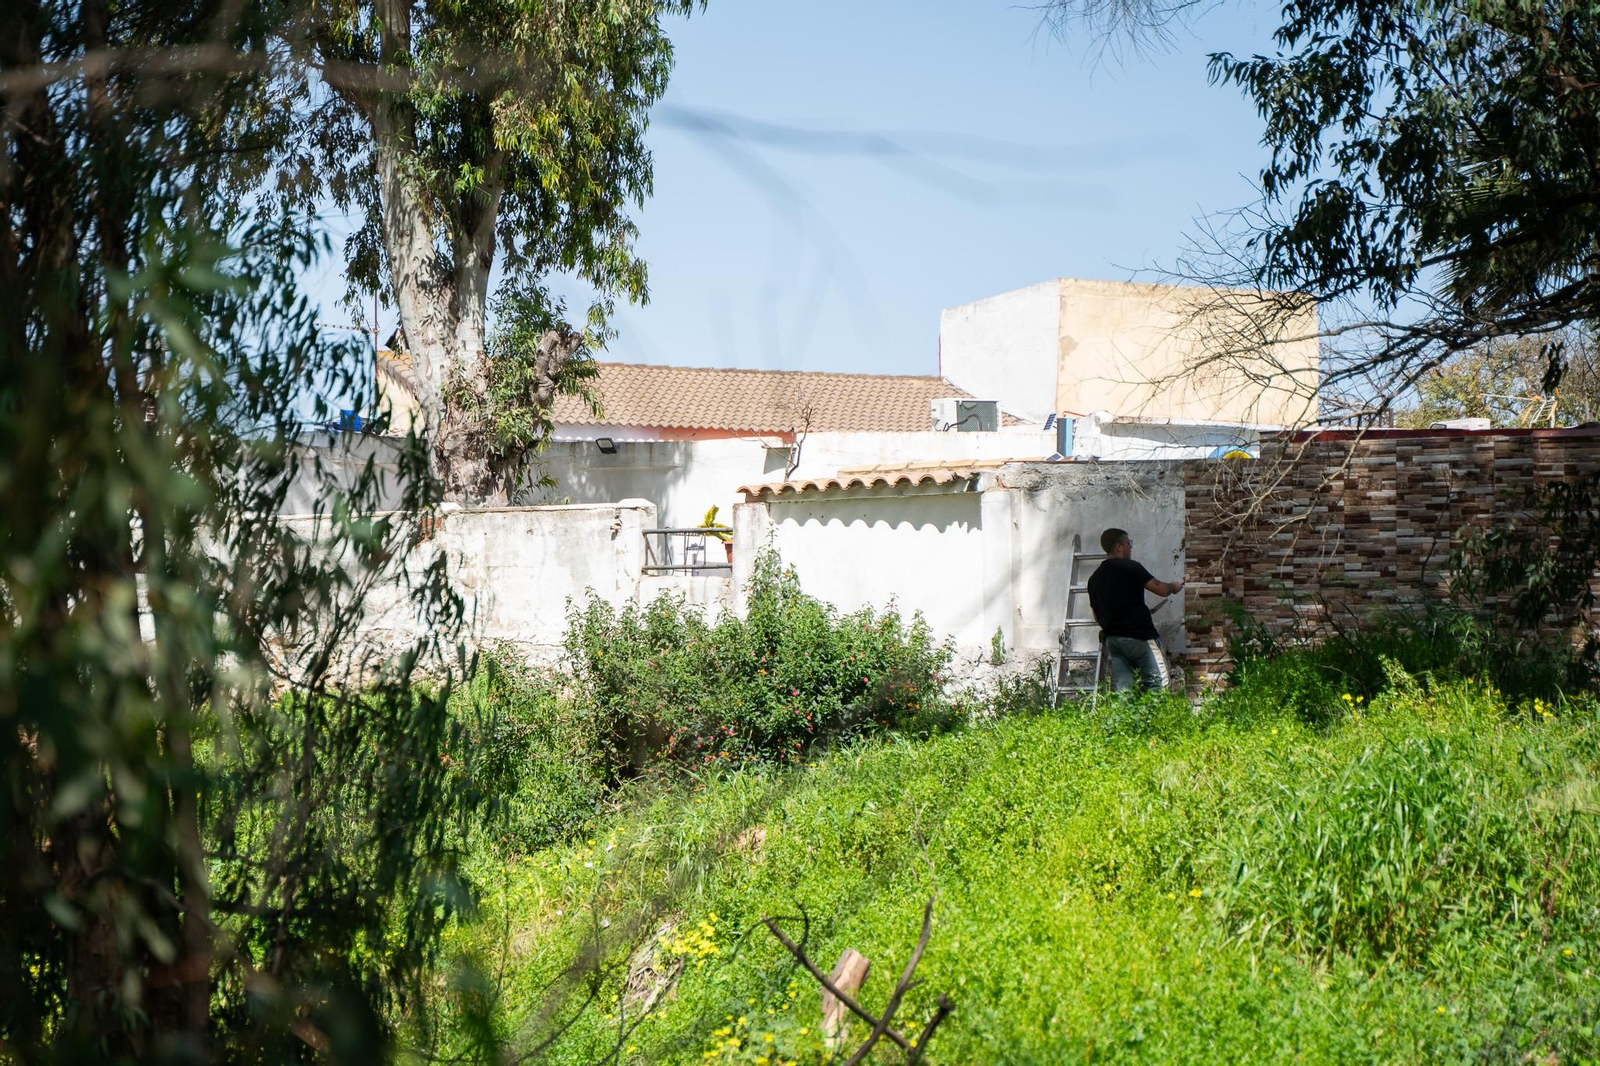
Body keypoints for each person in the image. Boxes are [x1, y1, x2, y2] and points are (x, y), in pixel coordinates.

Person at [1086, 527, 1183, 691]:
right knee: (1158, 683)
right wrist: (1173, 587)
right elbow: (1160, 589)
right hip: (1139, 636)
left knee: (1125, 688)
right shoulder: (1130, 567)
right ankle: (1157, 717)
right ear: (1119, 546)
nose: (1130, 547)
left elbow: (1096, 615)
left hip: (1113, 641)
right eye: (1128, 543)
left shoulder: (1094, 578)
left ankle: (1124, 716)